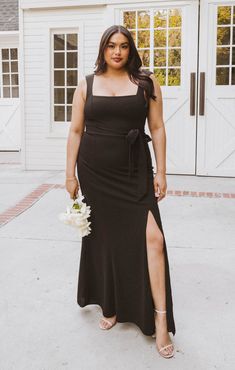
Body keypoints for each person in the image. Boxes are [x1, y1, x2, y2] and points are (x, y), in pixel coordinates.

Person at [65, 25, 176, 359]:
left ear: (131, 50)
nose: (117, 52)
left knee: (153, 240)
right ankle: (110, 305)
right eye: (111, 46)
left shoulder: (146, 82)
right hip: (95, 173)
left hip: (134, 171)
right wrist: (69, 174)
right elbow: (74, 130)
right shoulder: (86, 84)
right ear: (103, 49)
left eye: (124, 46)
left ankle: (160, 320)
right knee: (104, 239)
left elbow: (156, 127)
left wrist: (162, 171)